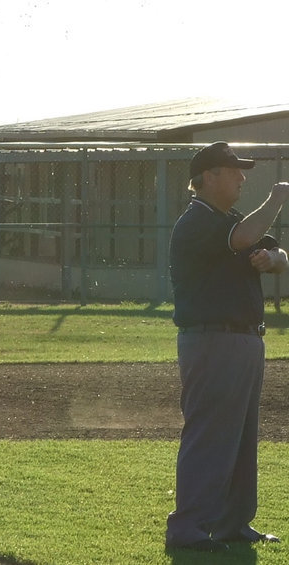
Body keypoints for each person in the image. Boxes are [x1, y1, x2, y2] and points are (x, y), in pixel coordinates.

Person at [165, 142, 289, 552]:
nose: (242, 177)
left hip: (243, 340)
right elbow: (244, 237)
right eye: (234, 170)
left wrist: (274, 257)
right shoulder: (197, 221)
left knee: (238, 437)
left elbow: (276, 251)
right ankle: (188, 527)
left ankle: (233, 523)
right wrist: (277, 199)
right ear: (208, 177)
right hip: (212, 338)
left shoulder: (229, 219)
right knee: (210, 434)